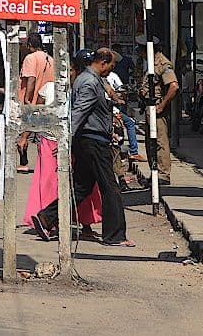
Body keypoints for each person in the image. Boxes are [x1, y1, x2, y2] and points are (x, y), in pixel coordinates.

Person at [36, 49, 133, 247]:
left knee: (81, 187)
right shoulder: (89, 82)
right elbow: (78, 113)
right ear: (103, 62)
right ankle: (114, 235)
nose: (111, 71)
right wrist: (65, 141)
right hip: (93, 142)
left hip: (90, 140)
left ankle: (47, 217)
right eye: (111, 66)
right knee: (110, 187)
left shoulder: (91, 79)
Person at [140, 41, 179, 180]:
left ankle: (163, 173)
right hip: (149, 107)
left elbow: (173, 86)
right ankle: (155, 171)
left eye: (142, 50)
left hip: (156, 108)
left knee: (159, 141)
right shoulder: (151, 64)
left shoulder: (162, 64)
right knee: (151, 142)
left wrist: (162, 105)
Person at [17, 34, 56, 173]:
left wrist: (27, 99)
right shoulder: (50, 59)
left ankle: (23, 163)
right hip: (47, 102)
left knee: (23, 136)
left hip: (33, 102)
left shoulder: (30, 58)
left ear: (29, 45)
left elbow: (31, 79)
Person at [104, 59, 144, 162]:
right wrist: (120, 98)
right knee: (130, 123)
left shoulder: (96, 76)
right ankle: (134, 152)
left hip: (108, 109)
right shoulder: (112, 76)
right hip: (111, 109)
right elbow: (120, 90)